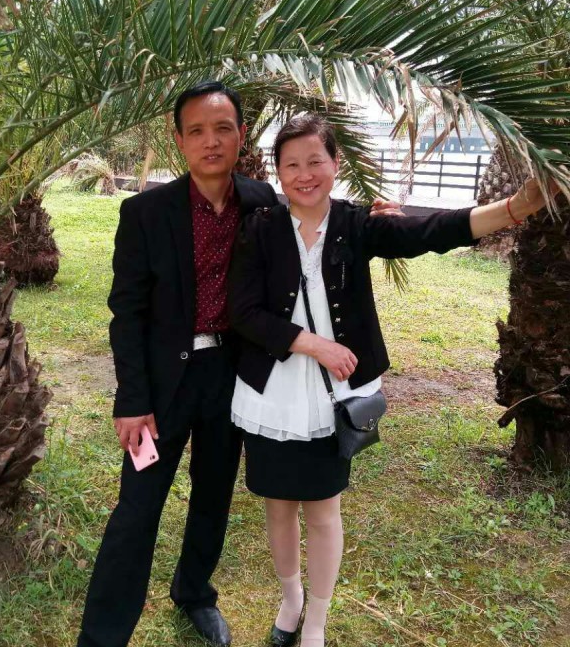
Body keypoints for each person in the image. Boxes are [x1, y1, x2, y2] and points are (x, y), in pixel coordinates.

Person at [76, 82, 402, 647]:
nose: (211, 141)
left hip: (232, 377)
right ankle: (102, 637)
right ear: (180, 139)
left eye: (222, 129)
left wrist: (369, 215)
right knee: (137, 508)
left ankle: (194, 593)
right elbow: (126, 312)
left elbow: (316, 213)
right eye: (197, 131)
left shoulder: (261, 200)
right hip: (163, 383)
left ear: (241, 136)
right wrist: (131, 399)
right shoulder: (145, 212)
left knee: (213, 496)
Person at [227, 113, 558, 647]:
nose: (304, 174)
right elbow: (242, 312)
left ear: (336, 163)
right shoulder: (259, 227)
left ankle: (317, 621)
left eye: (315, 161)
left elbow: (432, 231)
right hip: (272, 393)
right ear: (278, 172)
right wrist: (314, 344)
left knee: (323, 510)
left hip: (331, 398)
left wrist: (515, 207)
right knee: (278, 506)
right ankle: (290, 601)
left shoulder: (357, 224)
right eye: (291, 165)